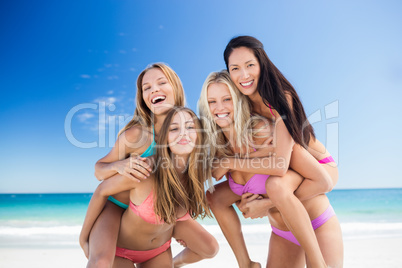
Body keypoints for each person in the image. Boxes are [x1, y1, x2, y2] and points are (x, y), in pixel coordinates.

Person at [200, 69, 342, 268]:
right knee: (213, 196)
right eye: (212, 101)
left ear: (239, 100)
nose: (219, 107)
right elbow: (212, 183)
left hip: (316, 223)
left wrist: (266, 204)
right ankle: (245, 264)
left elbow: (322, 181)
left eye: (227, 99)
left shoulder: (264, 131)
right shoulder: (218, 144)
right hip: (282, 233)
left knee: (276, 184)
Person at [79, 63, 218, 267]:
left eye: (161, 82)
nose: (154, 89)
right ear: (143, 97)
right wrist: (119, 165)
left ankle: (171, 261)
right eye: (147, 87)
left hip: (159, 210)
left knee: (210, 247)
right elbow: (99, 172)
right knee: (100, 261)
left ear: (176, 88)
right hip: (118, 208)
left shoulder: (188, 134)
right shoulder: (137, 135)